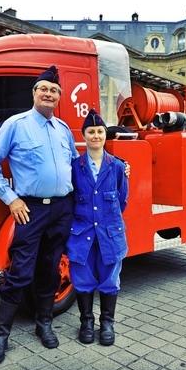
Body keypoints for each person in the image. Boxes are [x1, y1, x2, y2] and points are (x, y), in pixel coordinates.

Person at [0, 66, 78, 364]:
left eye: (54, 90)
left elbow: (74, 164)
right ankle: (0, 336)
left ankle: (44, 324)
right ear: (34, 93)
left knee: (50, 268)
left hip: (62, 208)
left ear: (59, 96)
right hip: (31, 209)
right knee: (21, 271)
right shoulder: (16, 124)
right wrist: (11, 199)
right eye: (43, 89)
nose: (48, 94)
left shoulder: (63, 129)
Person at [66, 109, 128, 346]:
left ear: (105, 135)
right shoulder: (75, 167)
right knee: (82, 279)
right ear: (83, 136)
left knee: (110, 279)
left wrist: (105, 221)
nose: (96, 136)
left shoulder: (117, 167)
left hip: (110, 234)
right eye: (91, 132)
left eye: (100, 131)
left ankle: (108, 323)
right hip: (82, 234)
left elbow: (122, 200)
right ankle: (86, 322)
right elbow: (70, 200)